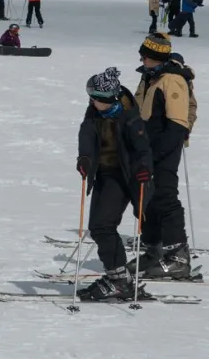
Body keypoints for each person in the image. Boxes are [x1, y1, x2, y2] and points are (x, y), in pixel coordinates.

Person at [75, 67, 153, 301]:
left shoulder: (129, 117)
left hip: (124, 176)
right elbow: (87, 136)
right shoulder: (95, 112)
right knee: (99, 227)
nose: (90, 101)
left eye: (95, 97)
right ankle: (118, 278)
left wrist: (143, 170)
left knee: (103, 227)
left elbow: (143, 150)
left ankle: (119, 280)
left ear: (108, 99)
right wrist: (85, 159)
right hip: (104, 174)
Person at [128, 34, 193, 279]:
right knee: (147, 198)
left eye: (144, 54)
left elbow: (176, 125)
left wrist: (155, 155)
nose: (141, 58)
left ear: (154, 57)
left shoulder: (172, 81)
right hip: (146, 149)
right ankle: (153, 249)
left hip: (163, 150)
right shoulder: (150, 77)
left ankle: (178, 256)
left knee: (165, 196)